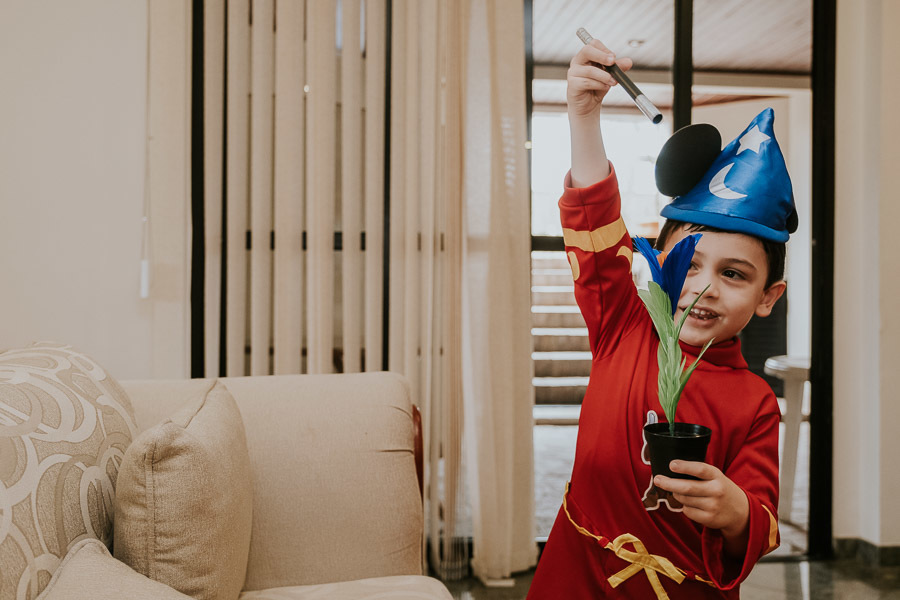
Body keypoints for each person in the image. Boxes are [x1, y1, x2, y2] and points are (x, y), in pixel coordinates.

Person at [526, 38, 796, 599]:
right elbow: (596, 225)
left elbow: (763, 517)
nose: (703, 288)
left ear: (768, 297)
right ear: (659, 262)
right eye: (689, 262)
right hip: (576, 579)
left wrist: (735, 511)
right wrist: (583, 115)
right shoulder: (624, 323)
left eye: (734, 275)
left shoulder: (755, 404)